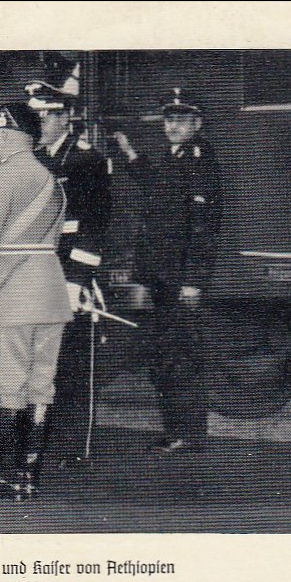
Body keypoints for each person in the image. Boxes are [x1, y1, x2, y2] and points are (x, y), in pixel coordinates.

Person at [0, 103, 72, 500]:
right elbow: (53, 242)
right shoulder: (51, 181)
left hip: (11, 296)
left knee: (10, 384)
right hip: (51, 294)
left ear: (5, 136)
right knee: (43, 384)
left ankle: (8, 477)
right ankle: (30, 474)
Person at [112, 87, 223, 453]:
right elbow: (158, 188)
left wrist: (193, 281)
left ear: (197, 123)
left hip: (179, 279)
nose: (172, 125)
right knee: (166, 354)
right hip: (163, 276)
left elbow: (203, 228)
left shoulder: (200, 159)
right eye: (169, 119)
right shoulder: (174, 156)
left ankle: (188, 434)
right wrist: (129, 153)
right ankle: (177, 430)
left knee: (180, 356)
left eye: (181, 119)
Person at [25, 57, 115, 462]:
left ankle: (71, 446)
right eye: (36, 116)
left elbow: (95, 224)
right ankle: (36, 440)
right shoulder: (35, 159)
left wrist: (77, 278)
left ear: (66, 118)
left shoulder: (86, 160)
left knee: (72, 361)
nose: (39, 123)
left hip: (68, 273)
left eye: (46, 116)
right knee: (37, 360)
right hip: (35, 273)